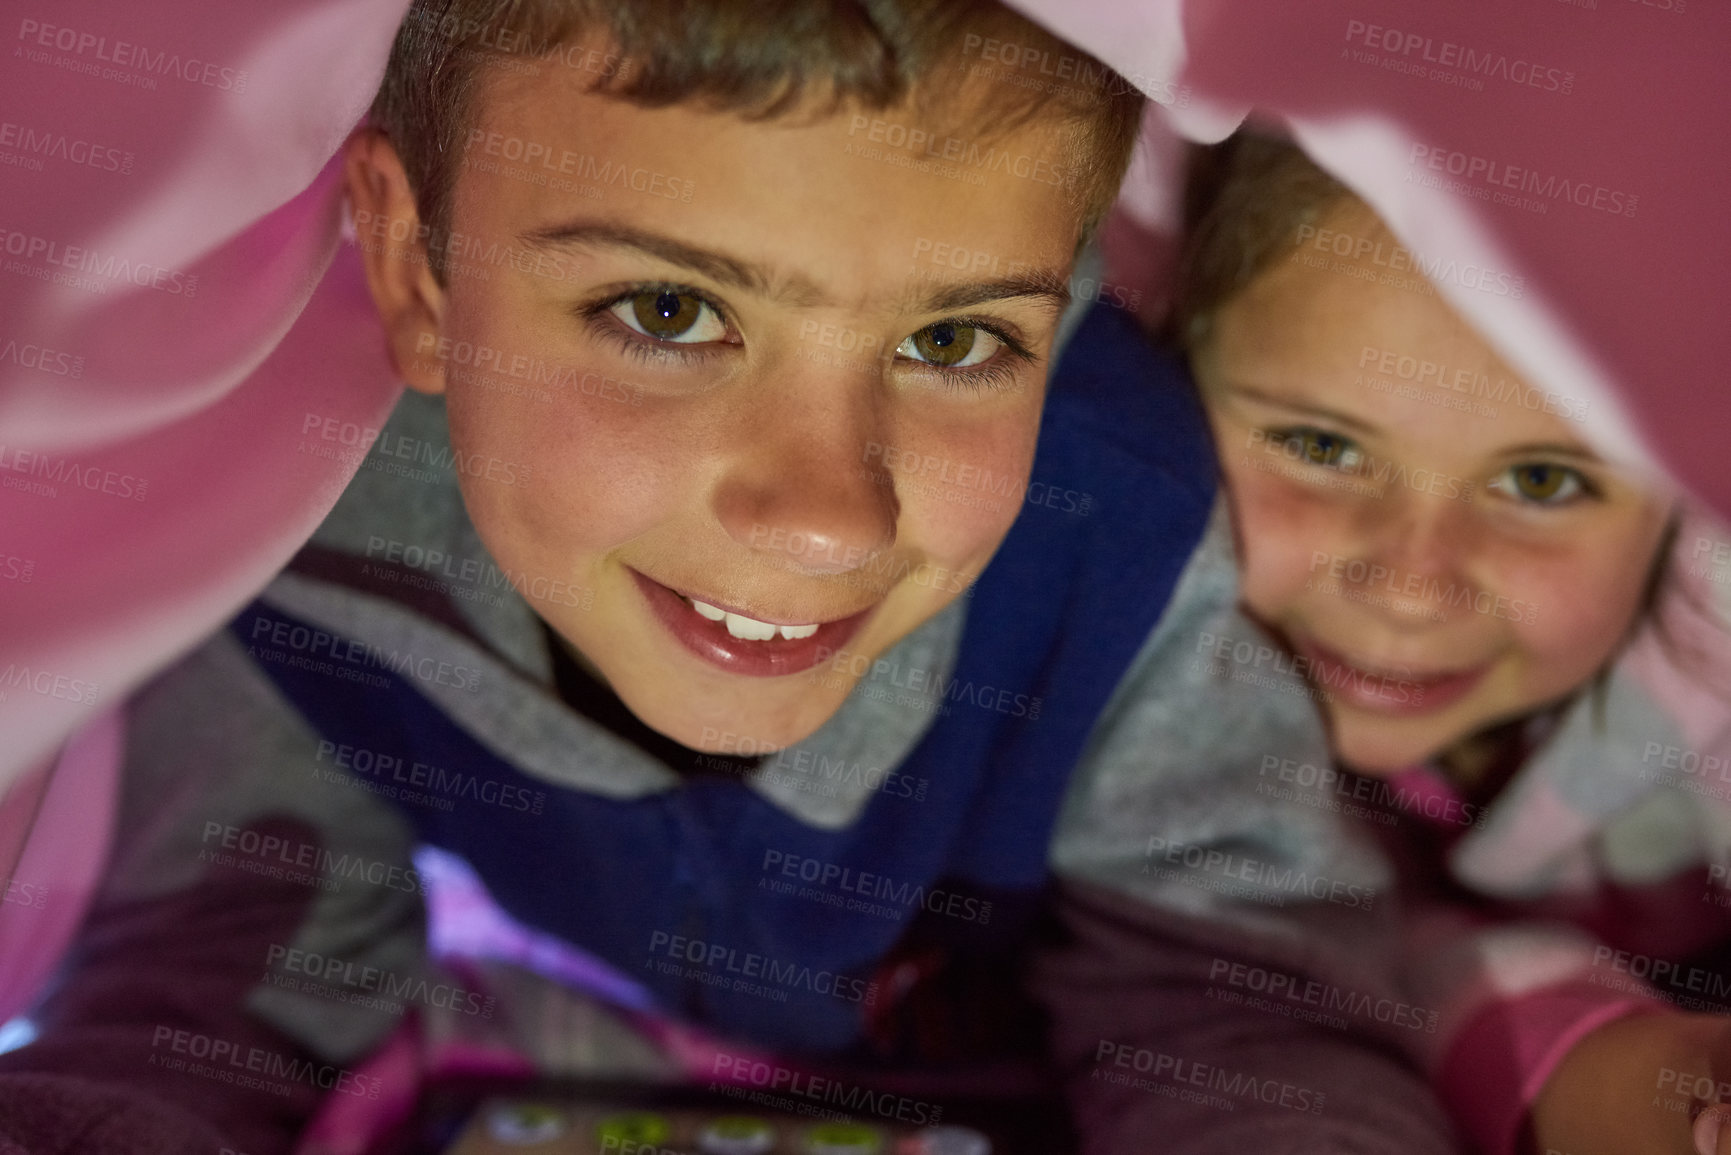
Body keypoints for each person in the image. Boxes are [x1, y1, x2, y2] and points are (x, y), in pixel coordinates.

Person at [1054, 129, 1731, 1155]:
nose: (1412, 585)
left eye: (1542, 482)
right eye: (1323, 447)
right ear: (1170, 375)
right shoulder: (1121, 681)